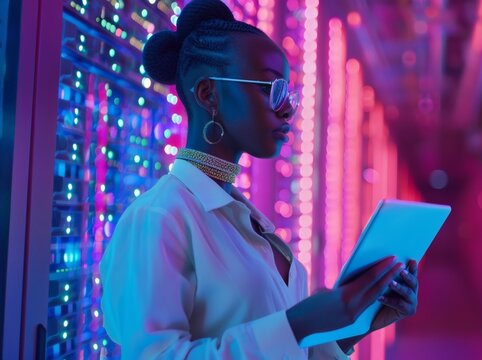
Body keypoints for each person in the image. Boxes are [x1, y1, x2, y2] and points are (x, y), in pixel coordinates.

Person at [99, 0, 419, 358]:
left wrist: (353, 325)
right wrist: (300, 324)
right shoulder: (158, 218)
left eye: (289, 94)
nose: (287, 108)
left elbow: (284, 348)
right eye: (270, 89)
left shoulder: (240, 214)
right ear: (208, 94)